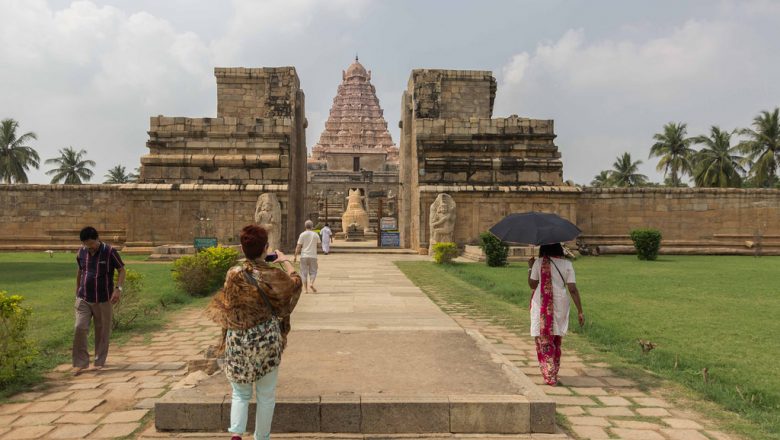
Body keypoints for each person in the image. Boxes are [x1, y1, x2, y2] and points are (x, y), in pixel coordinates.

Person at [205, 225, 302, 440]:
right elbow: (294, 285)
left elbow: (229, 304)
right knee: (266, 396)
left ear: (242, 248)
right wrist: (285, 261)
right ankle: (261, 438)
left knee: (240, 393)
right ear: (265, 248)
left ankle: (236, 435)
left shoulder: (233, 274)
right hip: (266, 339)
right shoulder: (274, 275)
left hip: (238, 339)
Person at [527, 243, 584, 386]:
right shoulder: (567, 264)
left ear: (543, 249)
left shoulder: (539, 262)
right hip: (560, 302)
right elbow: (572, 289)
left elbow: (533, 285)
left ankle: (549, 374)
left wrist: (530, 266)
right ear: (559, 249)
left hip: (541, 304)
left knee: (543, 338)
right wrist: (580, 310)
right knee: (556, 338)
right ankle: (554, 370)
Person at [73, 226, 126, 375]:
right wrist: (77, 290)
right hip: (84, 297)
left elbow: (121, 269)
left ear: (97, 239)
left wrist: (118, 289)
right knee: (79, 327)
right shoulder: (81, 252)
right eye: (86, 244)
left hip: (103, 298)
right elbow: (80, 270)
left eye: (91, 243)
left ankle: (98, 361)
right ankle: (80, 363)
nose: (89, 247)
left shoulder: (109, 252)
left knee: (102, 331)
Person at [293, 220, 321, 293]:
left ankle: (305, 290)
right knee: (313, 271)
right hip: (313, 256)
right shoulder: (315, 234)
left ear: (305, 226)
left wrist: (295, 256)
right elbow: (319, 245)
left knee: (303, 273)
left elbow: (298, 246)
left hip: (304, 256)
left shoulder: (302, 234)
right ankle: (311, 283)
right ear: (312, 226)